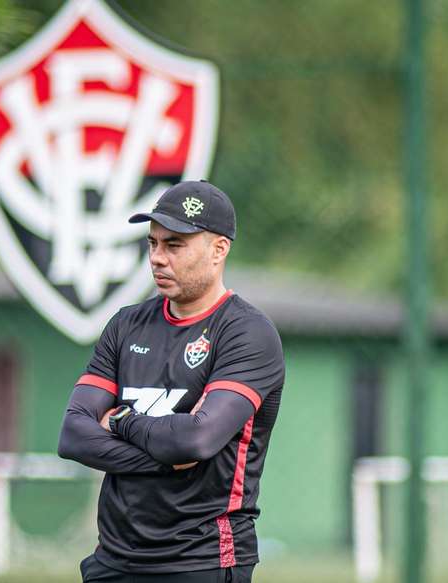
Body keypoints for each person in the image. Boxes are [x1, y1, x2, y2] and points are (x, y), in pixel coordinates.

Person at [57, 180, 286, 583]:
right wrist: (164, 452)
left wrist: (120, 421)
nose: (157, 258)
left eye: (174, 245)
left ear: (219, 250)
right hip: (114, 560)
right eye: (153, 243)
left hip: (202, 559)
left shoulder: (247, 333)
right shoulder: (126, 324)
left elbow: (195, 441)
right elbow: (73, 435)